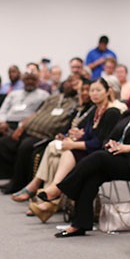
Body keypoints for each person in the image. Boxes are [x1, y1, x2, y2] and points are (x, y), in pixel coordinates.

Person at [50, 82, 130, 237]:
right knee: (91, 178)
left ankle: (60, 189)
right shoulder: (127, 115)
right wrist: (111, 143)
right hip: (117, 159)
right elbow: (108, 138)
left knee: (98, 157)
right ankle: (80, 224)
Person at [24, 79, 122, 222]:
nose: (94, 94)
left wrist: (74, 145)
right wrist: (77, 136)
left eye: (98, 90)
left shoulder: (112, 112)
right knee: (55, 156)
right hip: (88, 151)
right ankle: (50, 201)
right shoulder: (95, 111)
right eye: (92, 90)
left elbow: (101, 142)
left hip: (100, 155)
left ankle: (53, 192)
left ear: (107, 92)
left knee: (68, 152)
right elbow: (89, 135)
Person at [0, 78, 78, 193]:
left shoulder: (76, 102)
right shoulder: (53, 98)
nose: (70, 85)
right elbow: (36, 113)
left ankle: (17, 184)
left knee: (25, 147)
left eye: (73, 83)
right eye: (68, 82)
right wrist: (21, 127)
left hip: (44, 135)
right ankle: (12, 177)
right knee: (1, 144)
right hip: (29, 130)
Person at [0, 71, 49, 177]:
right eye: (27, 79)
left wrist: (22, 125)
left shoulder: (43, 95)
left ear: (37, 81)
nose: (29, 82)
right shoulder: (14, 94)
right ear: (23, 81)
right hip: (7, 123)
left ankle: (7, 172)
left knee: (2, 143)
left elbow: (41, 113)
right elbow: (3, 110)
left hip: (25, 125)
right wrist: (2, 122)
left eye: (32, 80)